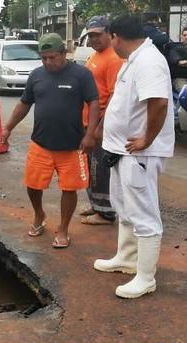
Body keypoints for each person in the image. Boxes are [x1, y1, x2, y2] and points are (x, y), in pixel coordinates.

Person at [93, 15, 175, 299]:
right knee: (123, 205)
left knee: (144, 213)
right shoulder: (135, 59)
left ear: (115, 36)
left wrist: (146, 139)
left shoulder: (149, 61)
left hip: (139, 152)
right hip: (121, 151)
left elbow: (159, 102)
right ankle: (126, 259)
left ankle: (145, 277)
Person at [0, 33, 99, 248]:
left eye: (52, 57)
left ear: (64, 53)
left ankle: (63, 228)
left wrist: (90, 134)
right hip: (41, 143)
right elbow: (24, 104)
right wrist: (7, 127)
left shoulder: (81, 75)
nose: (48, 62)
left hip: (72, 145)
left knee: (69, 188)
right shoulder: (36, 75)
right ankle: (39, 215)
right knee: (33, 185)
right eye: (44, 58)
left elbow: (93, 103)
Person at [80, 16, 124, 226]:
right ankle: (96, 204)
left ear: (109, 33)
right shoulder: (95, 55)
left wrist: (100, 127)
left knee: (100, 167)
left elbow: (115, 96)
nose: (94, 39)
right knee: (90, 167)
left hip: (101, 124)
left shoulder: (114, 59)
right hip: (89, 122)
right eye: (90, 35)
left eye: (97, 35)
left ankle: (106, 213)